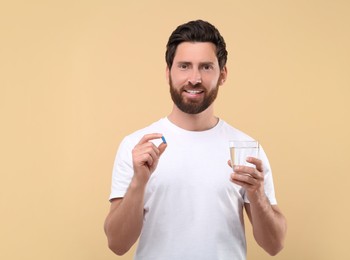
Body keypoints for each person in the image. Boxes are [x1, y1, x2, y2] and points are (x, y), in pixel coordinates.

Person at [104, 20, 287, 259]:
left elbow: (274, 245)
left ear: (223, 75)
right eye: (184, 66)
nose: (194, 78)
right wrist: (139, 182)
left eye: (206, 67)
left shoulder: (245, 149)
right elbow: (117, 244)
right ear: (168, 72)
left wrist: (258, 194)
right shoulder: (137, 146)